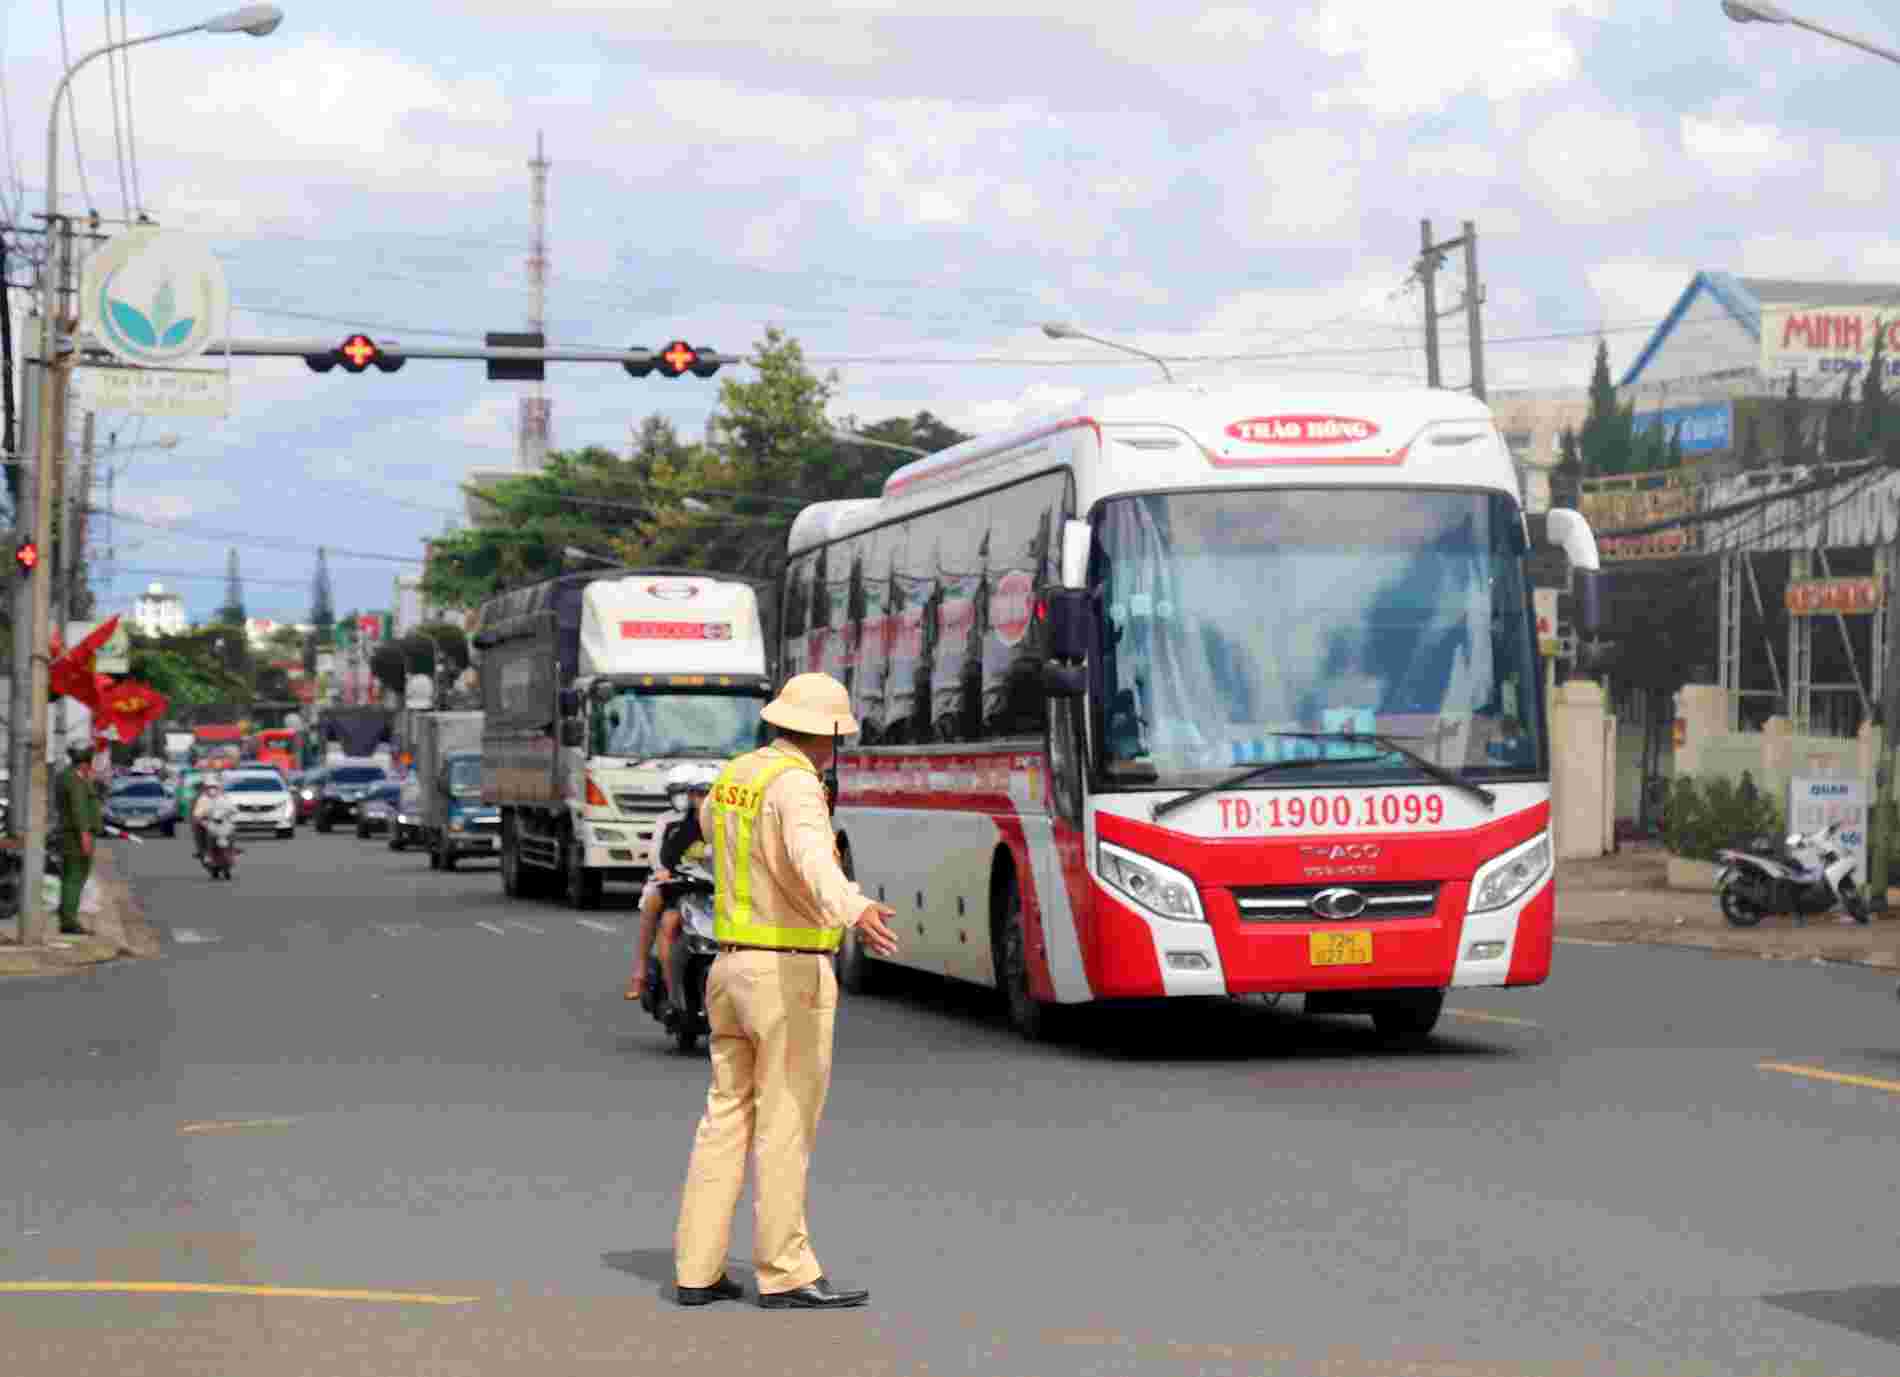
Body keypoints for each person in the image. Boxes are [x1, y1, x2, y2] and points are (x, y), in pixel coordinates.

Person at [674, 673, 900, 1312]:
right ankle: (785, 1270)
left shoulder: (737, 774)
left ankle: (697, 1267)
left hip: (728, 967)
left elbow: (708, 831)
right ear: (828, 736)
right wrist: (854, 907)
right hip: (787, 972)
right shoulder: (797, 785)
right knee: (785, 1124)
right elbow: (811, 859)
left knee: (725, 1119)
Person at [626, 764, 716, 1004]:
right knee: (664, 915)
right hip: (682, 888)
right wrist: (664, 871)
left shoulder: (727, 823)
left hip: (717, 892)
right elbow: (663, 856)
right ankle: (649, 978)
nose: (699, 799)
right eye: (696, 793)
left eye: (706, 793)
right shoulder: (675, 823)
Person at [55, 744, 102, 936]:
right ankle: (69, 921)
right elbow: (79, 808)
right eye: (90, 765)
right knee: (75, 877)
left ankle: (66, 915)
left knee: (71, 877)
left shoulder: (66, 776)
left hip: (71, 835)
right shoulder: (75, 781)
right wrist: (85, 835)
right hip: (76, 836)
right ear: (84, 765)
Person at [191, 773, 225, 859]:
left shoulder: (220, 795)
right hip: (204, 819)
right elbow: (194, 811)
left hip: (216, 818)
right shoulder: (197, 797)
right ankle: (202, 851)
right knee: (199, 834)